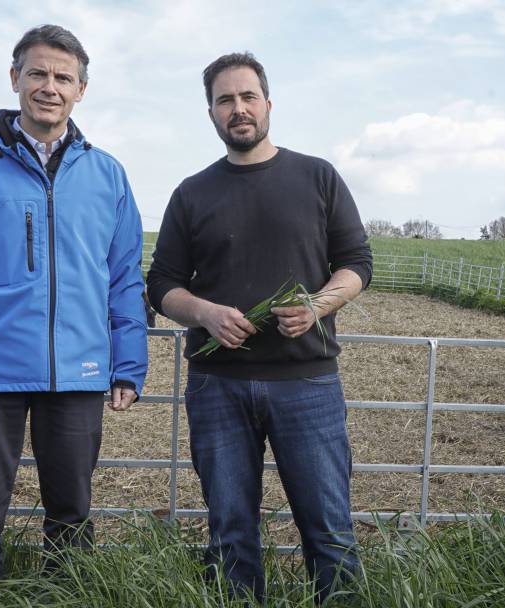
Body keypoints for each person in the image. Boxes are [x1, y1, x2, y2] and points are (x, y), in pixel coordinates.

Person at [0, 24, 148, 589]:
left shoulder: (107, 175)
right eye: (37, 73)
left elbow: (123, 278)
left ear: (81, 89)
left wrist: (128, 363)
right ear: (15, 78)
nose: (49, 87)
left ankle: (67, 594)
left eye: (63, 77)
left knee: (72, 511)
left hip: (79, 369)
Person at [147, 52, 372, 603]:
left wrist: (318, 304)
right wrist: (205, 313)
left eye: (248, 97)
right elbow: (162, 284)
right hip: (217, 386)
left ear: (268, 104)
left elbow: (357, 263)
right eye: (225, 100)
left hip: (307, 383)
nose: (238, 109)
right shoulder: (192, 193)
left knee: (329, 530)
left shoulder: (317, 176)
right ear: (211, 113)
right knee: (230, 532)